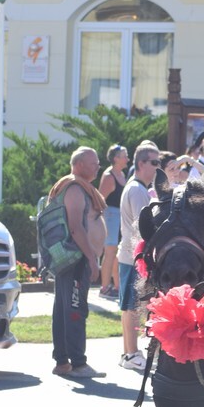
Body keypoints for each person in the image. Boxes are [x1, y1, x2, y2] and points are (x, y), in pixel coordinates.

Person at [49, 147, 107, 378]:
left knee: (65, 309)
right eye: (94, 163)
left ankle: (63, 362)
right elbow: (75, 228)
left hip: (74, 259)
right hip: (76, 258)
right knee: (74, 309)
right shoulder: (74, 189)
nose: (98, 167)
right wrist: (91, 258)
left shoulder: (77, 187)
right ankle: (78, 364)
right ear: (80, 164)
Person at [116, 144, 159, 371]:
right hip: (133, 256)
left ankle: (128, 353)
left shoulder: (135, 188)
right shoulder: (138, 190)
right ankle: (132, 353)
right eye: (154, 163)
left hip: (128, 255)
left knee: (128, 306)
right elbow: (143, 227)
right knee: (132, 306)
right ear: (141, 163)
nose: (157, 168)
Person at [97, 144, 128, 300]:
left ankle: (117, 287)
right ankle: (104, 288)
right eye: (124, 156)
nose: (127, 158)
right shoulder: (109, 176)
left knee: (117, 253)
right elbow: (100, 200)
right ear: (116, 158)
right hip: (110, 216)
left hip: (119, 216)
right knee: (110, 252)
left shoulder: (121, 174)